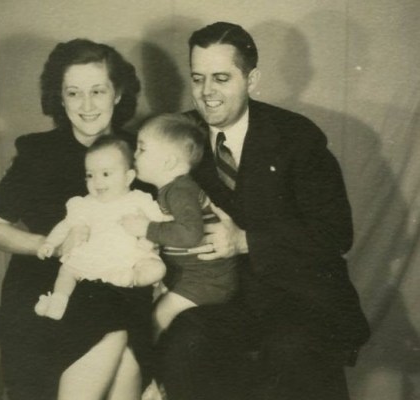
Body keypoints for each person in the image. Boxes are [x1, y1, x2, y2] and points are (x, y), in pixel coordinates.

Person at [155, 22, 370, 400]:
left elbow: (336, 233)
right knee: (185, 340)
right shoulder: (177, 136)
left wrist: (245, 240)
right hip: (218, 299)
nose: (207, 92)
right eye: (198, 78)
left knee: (291, 350)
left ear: (252, 80)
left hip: (295, 296)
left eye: (221, 78)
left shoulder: (297, 137)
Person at [0, 39, 153, 400]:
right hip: (48, 287)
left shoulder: (141, 152)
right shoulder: (38, 153)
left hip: (121, 285)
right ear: (60, 98)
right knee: (116, 340)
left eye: (98, 91)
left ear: (118, 93)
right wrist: (51, 246)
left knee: (124, 341)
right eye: (74, 93)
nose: (87, 105)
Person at [121, 113, 238, 341]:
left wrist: (147, 229)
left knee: (158, 318)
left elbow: (190, 234)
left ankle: (151, 363)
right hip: (190, 276)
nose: (134, 155)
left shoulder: (180, 192)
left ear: (168, 162)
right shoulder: (171, 189)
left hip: (208, 281)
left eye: (141, 149)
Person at [34, 135, 166, 320]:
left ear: (128, 177)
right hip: (92, 255)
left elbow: (162, 222)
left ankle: (132, 280)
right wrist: (50, 243)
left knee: (156, 269)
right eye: (90, 175)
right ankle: (58, 300)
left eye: (105, 174)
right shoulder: (84, 204)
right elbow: (65, 225)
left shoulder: (139, 200)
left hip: (129, 259)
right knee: (67, 270)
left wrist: (148, 233)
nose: (97, 181)